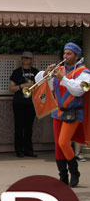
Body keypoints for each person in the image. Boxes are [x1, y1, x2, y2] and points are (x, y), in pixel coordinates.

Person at [36, 42, 90, 187]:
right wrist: (46, 75)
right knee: (58, 146)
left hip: (74, 111)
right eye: (64, 53)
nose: (65, 56)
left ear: (76, 56)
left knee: (63, 142)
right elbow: (46, 85)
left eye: (69, 54)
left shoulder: (83, 72)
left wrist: (63, 79)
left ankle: (74, 171)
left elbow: (78, 91)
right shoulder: (59, 69)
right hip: (58, 111)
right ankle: (63, 176)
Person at [9, 51, 40, 158]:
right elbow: (11, 88)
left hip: (31, 103)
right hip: (19, 102)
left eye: (28, 58)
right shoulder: (17, 72)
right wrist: (23, 85)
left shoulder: (35, 72)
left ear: (32, 60)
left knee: (29, 127)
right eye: (24, 58)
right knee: (19, 127)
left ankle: (28, 150)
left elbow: (41, 87)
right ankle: (19, 150)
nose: (26, 60)